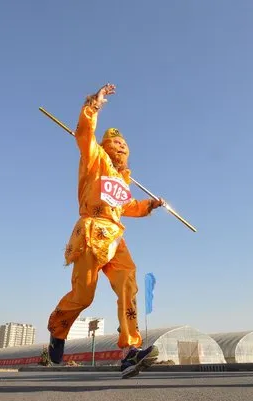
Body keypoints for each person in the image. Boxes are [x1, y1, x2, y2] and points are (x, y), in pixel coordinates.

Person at [47, 83, 162, 379]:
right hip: (90, 233)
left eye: (124, 145)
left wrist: (150, 205)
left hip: (115, 237)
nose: (121, 148)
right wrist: (94, 105)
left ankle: (130, 349)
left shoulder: (123, 182)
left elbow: (127, 208)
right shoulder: (94, 159)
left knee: (128, 284)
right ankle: (58, 330)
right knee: (84, 296)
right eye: (116, 145)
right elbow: (84, 135)